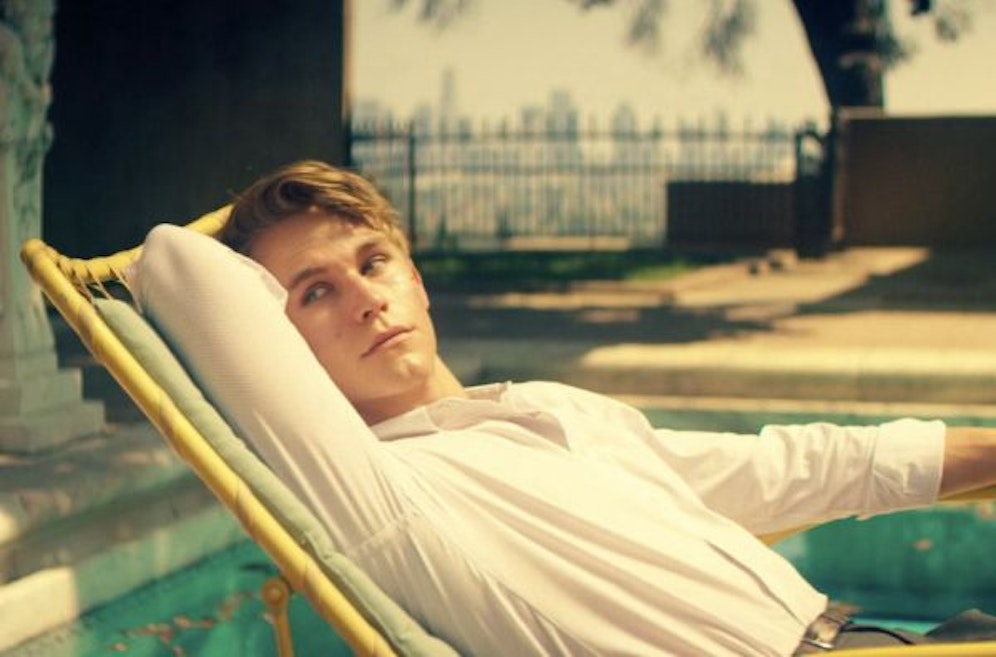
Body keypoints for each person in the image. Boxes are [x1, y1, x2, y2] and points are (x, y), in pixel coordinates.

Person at [209, 159, 996, 656]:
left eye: (374, 262)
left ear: (415, 280)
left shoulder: (543, 407)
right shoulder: (379, 491)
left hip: (877, 636)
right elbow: (179, 274)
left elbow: (779, 468)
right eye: (315, 293)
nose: (366, 300)